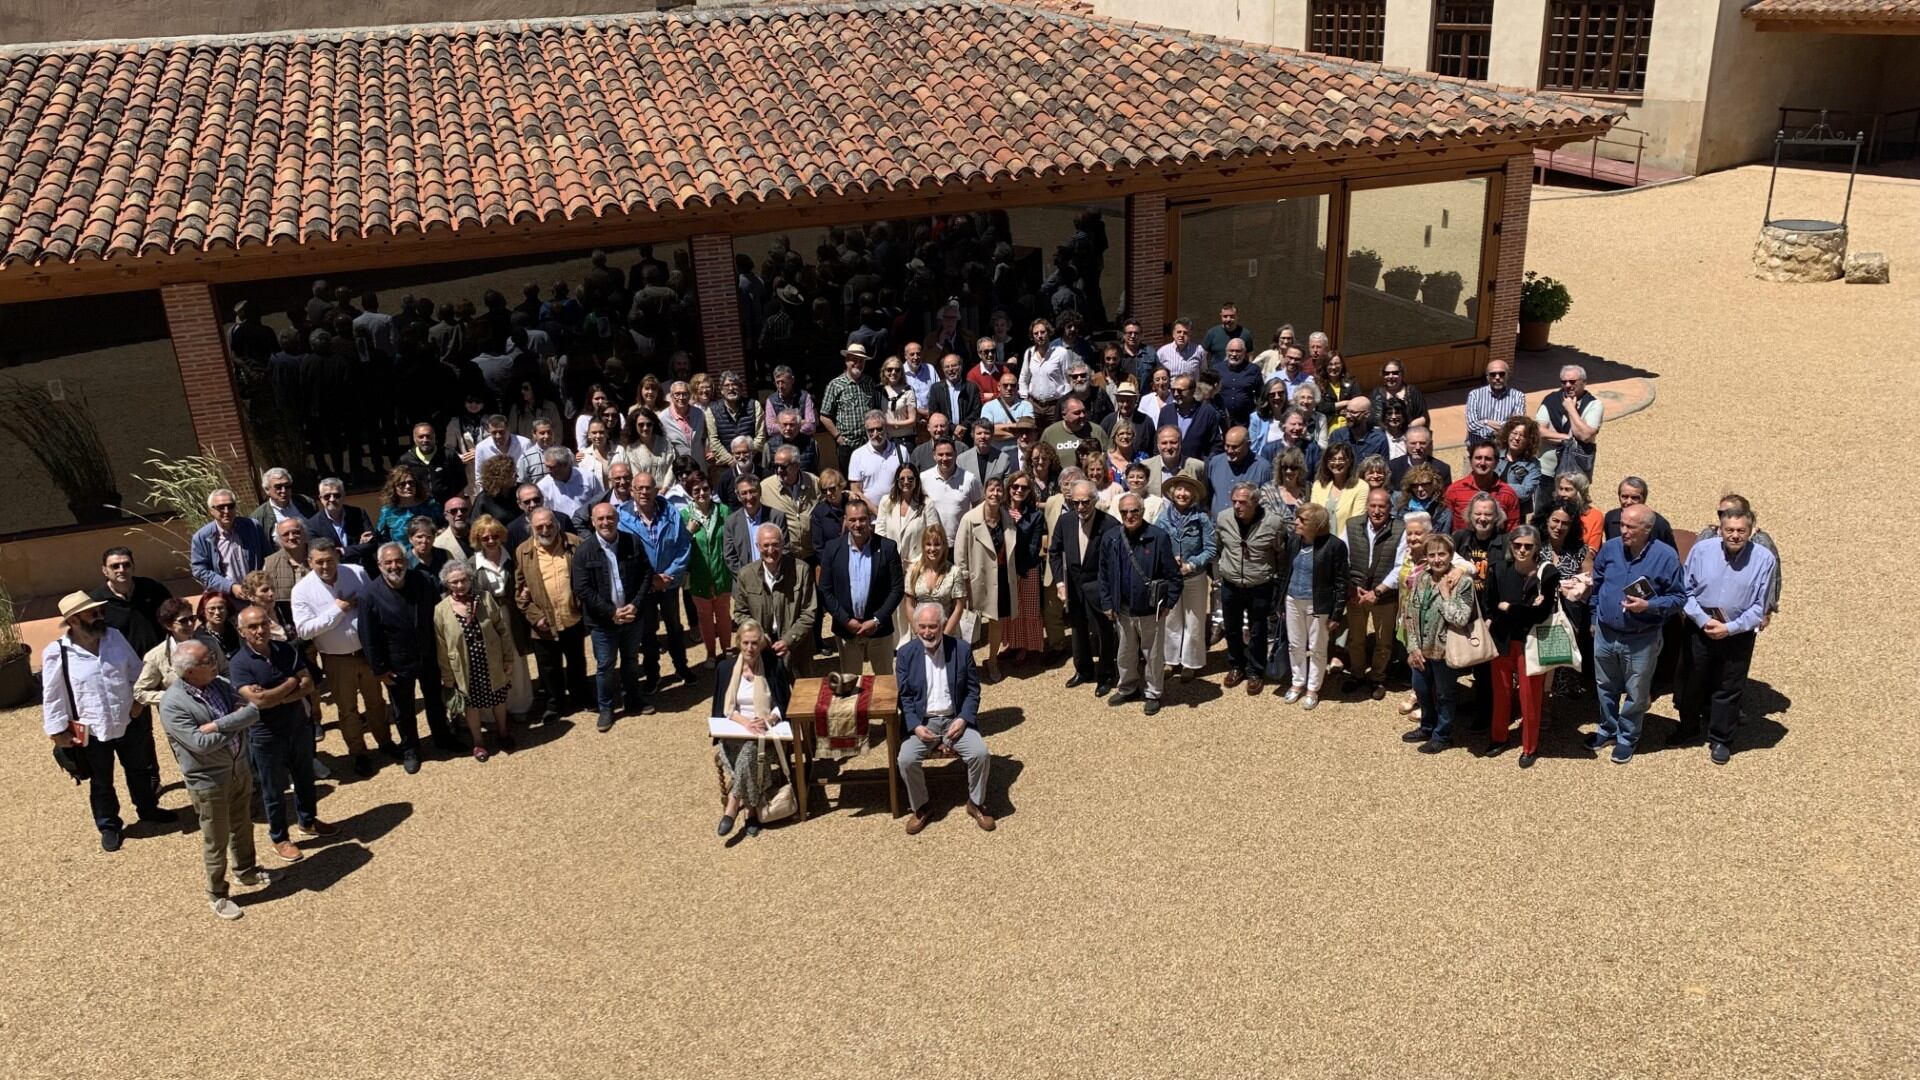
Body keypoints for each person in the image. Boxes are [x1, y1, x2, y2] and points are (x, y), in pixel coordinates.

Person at [42, 591, 172, 851]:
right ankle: (109, 825)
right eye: (93, 613)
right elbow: (52, 695)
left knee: (139, 769)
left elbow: (137, 672)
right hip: (91, 729)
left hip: (128, 719)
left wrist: (139, 703)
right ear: (75, 620)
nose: (100, 616)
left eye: (100, 612)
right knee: (102, 780)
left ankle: (148, 808)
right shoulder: (58, 653)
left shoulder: (114, 638)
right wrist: (57, 731)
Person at [157, 641, 268, 920]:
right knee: (215, 838)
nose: (214, 662)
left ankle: (246, 871)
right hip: (208, 781)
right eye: (207, 661)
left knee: (242, 824)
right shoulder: (172, 704)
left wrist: (219, 724)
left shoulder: (219, 683)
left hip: (238, 768)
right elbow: (200, 743)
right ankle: (217, 894)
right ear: (190, 671)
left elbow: (253, 711)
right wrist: (236, 723)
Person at [229, 603, 330, 863]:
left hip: (298, 726)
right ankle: (279, 837)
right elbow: (259, 702)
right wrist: (290, 683)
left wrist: (277, 695)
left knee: (305, 777)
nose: (260, 630)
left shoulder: (285, 649)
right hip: (266, 735)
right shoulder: (239, 664)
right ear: (242, 631)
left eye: (263, 623)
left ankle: (307, 822)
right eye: (252, 626)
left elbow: (308, 683)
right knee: (273, 789)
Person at [1678, 501, 1777, 764]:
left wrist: (1729, 628)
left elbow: (1760, 606)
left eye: (1741, 530)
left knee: (1729, 686)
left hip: (1737, 633)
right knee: (1692, 680)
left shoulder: (1764, 559)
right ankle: (1687, 728)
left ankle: (1721, 739)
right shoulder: (1701, 550)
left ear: (1750, 530)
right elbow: (1684, 591)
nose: (1735, 535)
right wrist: (1701, 620)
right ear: (1720, 529)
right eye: (1730, 530)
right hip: (1700, 626)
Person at [1587, 503, 1686, 764]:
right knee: (1605, 686)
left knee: (1637, 691)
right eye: (1622, 524)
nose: (1624, 530)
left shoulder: (1666, 557)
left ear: (1648, 529)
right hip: (1606, 633)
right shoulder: (1610, 549)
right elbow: (1596, 584)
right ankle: (1607, 729)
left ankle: (1627, 737)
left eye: (1631, 526)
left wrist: (1649, 606)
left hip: (1641, 638)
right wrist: (1593, 617)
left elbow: (1679, 597)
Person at [895, 602, 994, 835]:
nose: (928, 632)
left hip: (955, 719)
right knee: (906, 759)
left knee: (980, 753)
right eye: (922, 627)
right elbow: (905, 697)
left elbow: (972, 690)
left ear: (942, 625)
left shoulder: (961, 649)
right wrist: (916, 726)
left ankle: (976, 803)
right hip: (924, 722)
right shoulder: (905, 654)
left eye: (932, 626)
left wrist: (963, 719)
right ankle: (921, 807)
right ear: (916, 627)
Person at [360, 543, 451, 773]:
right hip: (396, 662)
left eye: (398, 560)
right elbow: (368, 636)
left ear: (406, 560)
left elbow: (439, 614)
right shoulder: (370, 594)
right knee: (403, 709)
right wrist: (379, 668)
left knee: (435, 701)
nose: (394, 566)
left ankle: (442, 737)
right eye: (388, 562)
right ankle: (410, 749)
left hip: (429, 654)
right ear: (379, 565)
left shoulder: (423, 580)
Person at [575, 501, 655, 730]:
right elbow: (582, 589)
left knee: (631, 661)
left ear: (617, 519)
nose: (605, 522)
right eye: (600, 519)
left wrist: (635, 606)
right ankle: (607, 709)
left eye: (609, 518)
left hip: (632, 617)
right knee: (605, 666)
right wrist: (611, 612)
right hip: (602, 622)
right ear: (592, 522)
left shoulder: (632, 542)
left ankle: (633, 700)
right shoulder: (584, 551)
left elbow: (646, 574)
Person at [1485, 526, 1561, 766]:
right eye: (1517, 545)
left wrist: (1511, 608)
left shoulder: (1547, 575)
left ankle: (1530, 746)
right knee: (1501, 693)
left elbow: (1541, 614)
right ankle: (1499, 737)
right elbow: (1490, 605)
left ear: (1536, 547)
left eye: (1528, 546)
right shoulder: (1498, 569)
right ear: (1511, 545)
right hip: (1503, 640)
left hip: (1531, 642)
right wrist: (1522, 610)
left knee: (1530, 697)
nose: (1522, 550)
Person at [711, 619, 793, 841]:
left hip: (766, 734)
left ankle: (734, 802)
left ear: (761, 644)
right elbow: (723, 709)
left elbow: (783, 703)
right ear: (738, 643)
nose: (750, 648)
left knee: (750, 751)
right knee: (746, 751)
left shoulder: (773, 666)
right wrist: (745, 723)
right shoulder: (726, 668)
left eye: (755, 643)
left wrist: (769, 718)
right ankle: (752, 810)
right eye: (746, 643)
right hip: (735, 732)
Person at [1100, 492, 1179, 715]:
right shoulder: (1111, 537)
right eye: (1124, 511)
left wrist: (1169, 603)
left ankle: (1154, 692)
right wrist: (1107, 603)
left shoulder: (1158, 537)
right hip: (1122, 608)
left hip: (1150, 610)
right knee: (1125, 652)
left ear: (1142, 512)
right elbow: (1103, 574)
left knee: (1153, 655)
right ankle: (1127, 687)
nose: (1129, 515)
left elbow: (1174, 576)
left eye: (1134, 511)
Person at [1399, 534, 1477, 753]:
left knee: (1444, 694)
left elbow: (1460, 618)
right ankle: (1426, 726)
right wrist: (1412, 647)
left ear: (1451, 555)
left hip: (1444, 650)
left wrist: (1444, 596)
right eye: (1432, 554)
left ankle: (1442, 735)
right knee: (1422, 689)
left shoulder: (1463, 583)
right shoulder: (1422, 577)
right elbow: (1410, 613)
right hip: (1420, 650)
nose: (1437, 559)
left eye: (1441, 554)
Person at [433, 561, 516, 762]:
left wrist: (508, 657)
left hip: (491, 660)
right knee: (471, 704)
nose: (460, 585)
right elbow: (441, 645)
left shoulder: (485, 599)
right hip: (463, 666)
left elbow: (502, 630)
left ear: (470, 579)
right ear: (446, 584)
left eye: (463, 580)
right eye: (454, 582)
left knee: (498, 697)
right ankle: (478, 742)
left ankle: (503, 733)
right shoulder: (441, 610)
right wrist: (447, 676)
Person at [618, 471, 694, 688]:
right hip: (644, 587)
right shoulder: (622, 518)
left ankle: (682, 667)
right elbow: (624, 556)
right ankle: (653, 674)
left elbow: (683, 546)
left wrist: (667, 577)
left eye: (648, 487)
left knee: (675, 627)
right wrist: (650, 579)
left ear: (656, 489)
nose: (644, 492)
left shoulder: (671, 513)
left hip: (669, 583)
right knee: (648, 631)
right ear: (632, 491)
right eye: (639, 488)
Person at [515, 508, 590, 724]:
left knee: (577, 660)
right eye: (539, 527)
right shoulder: (523, 552)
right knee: (548, 667)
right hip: (543, 623)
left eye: (549, 525)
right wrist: (535, 617)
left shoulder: (575, 543)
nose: (545, 530)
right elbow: (520, 593)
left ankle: (580, 696)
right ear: (532, 528)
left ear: (557, 524)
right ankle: (554, 704)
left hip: (571, 616)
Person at [818, 498, 905, 676]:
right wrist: (845, 620)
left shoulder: (887, 548)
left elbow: (897, 588)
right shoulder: (832, 549)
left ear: (870, 519)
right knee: (850, 684)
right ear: (845, 520)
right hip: (847, 631)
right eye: (853, 519)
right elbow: (825, 590)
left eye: (862, 519)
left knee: (884, 684)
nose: (858, 524)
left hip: (879, 630)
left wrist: (876, 620)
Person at [1215, 481, 1284, 694]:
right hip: (1231, 584)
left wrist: (1277, 582)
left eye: (1243, 502)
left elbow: (1280, 552)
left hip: (1259, 585)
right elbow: (1219, 547)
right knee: (1232, 628)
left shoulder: (1273, 523)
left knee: (1258, 630)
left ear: (1255, 502)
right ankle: (1236, 666)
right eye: (1234, 501)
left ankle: (1255, 671)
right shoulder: (1223, 518)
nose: (1237, 506)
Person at [1276, 503, 1348, 708]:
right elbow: (1283, 574)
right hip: (1292, 600)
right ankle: (1297, 683)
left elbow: (1342, 582)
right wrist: (1279, 603)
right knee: (1295, 645)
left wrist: (1336, 614)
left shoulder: (1335, 546)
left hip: (1319, 605)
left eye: (1302, 520)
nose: (1296, 522)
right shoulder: (1293, 542)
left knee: (1317, 648)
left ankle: (1313, 688)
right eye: (1297, 518)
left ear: (1316, 525)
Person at [1051, 478, 1119, 695]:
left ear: (1095, 500)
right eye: (1076, 502)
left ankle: (1107, 675)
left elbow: (1115, 561)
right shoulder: (1066, 521)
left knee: (1103, 631)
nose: (1080, 507)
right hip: (1073, 586)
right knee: (1078, 629)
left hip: (1099, 586)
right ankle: (1083, 670)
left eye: (1085, 502)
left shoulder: (1109, 524)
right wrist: (1060, 582)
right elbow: (1054, 552)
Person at [955, 477, 1023, 682]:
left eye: (999, 490)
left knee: (996, 623)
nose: (995, 494)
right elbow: (959, 554)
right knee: (967, 624)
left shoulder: (1008, 519)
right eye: (991, 490)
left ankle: (992, 660)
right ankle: (964, 666)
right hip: (976, 578)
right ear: (984, 492)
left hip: (1001, 578)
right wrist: (963, 580)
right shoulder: (969, 519)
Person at [730, 523, 819, 672]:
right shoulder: (746, 575)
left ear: (783, 544)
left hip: (796, 648)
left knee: (800, 692)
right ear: (758, 546)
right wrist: (758, 636)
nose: (771, 550)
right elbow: (740, 613)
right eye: (765, 545)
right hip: (761, 649)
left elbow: (809, 612)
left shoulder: (801, 570)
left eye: (775, 545)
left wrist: (789, 640)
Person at [1155, 474, 1217, 682]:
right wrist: (1170, 560)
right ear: (1172, 493)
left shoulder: (1202, 518)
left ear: (1193, 494)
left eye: (1187, 490)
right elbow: (1156, 544)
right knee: (1171, 619)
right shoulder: (1163, 518)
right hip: (1171, 577)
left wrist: (1192, 564)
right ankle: (1171, 660)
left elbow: (1210, 548)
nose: (1182, 494)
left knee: (1194, 620)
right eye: (1179, 489)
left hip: (1195, 577)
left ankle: (1190, 662)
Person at [1344, 487, 1403, 700]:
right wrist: (1351, 584)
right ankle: (1357, 673)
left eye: (1382, 506)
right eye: (1373, 505)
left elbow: (1400, 566)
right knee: (1356, 638)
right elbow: (1343, 557)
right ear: (1367, 506)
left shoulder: (1400, 529)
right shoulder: (1352, 525)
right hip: (1356, 593)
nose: (1377, 510)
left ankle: (1378, 677)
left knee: (1383, 640)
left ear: (1390, 507)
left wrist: (1378, 591)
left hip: (1384, 595)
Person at [1694, 494, 1781, 628]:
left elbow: (1773, 578)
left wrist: (1766, 611)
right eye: (1721, 513)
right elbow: (1692, 571)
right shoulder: (1708, 536)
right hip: (1705, 618)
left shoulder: (1761, 542)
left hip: (1741, 620)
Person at [134, 597, 230, 712]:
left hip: (217, 708)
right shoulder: (156, 656)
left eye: (192, 618)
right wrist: (173, 697)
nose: (190, 624)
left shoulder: (210, 643)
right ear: (168, 625)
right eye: (183, 621)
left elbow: (226, 671)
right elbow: (140, 691)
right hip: (182, 717)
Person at [680, 474, 732, 669]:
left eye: (705, 489)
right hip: (698, 577)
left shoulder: (724, 511)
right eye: (696, 490)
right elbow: (678, 546)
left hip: (721, 574)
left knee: (724, 616)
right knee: (704, 617)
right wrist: (688, 532)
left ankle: (727, 651)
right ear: (690, 493)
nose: (702, 493)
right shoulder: (684, 516)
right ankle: (710, 652)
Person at [190, 489, 270, 601]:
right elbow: (200, 571)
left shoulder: (252, 527)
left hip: (257, 595)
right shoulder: (202, 537)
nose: (226, 511)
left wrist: (262, 581)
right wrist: (230, 587)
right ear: (211, 511)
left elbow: (268, 556)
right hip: (227, 599)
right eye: (221, 507)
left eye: (230, 506)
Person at [91, 547, 172, 656]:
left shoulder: (152, 588)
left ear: (133, 567)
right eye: (115, 566)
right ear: (105, 570)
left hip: (162, 658)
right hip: (124, 667)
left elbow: (173, 616)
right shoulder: (96, 601)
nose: (121, 570)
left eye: (126, 565)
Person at [900, 520, 968, 647]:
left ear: (944, 546)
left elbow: (958, 608)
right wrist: (918, 632)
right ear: (923, 546)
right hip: (921, 634)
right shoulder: (913, 571)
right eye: (928, 544)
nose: (932, 549)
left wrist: (945, 637)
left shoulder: (954, 572)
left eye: (937, 544)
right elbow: (909, 605)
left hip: (948, 633)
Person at [1537, 364, 1603, 480]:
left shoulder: (1594, 405)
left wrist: (1571, 409)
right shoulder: (1551, 400)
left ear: (1584, 382)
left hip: (1577, 472)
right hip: (1547, 469)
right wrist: (1567, 438)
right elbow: (1538, 430)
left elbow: (1585, 435)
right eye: (1564, 382)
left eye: (1572, 382)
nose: (1567, 385)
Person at [1443, 442, 1523, 534]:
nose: (1482, 463)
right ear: (1470, 461)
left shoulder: (1508, 494)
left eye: (1488, 459)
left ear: (1496, 463)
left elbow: (1512, 532)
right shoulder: (1454, 491)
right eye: (1478, 458)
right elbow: (1445, 528)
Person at [819, 344, 880, 462]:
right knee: (849, 480)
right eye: (854, 360)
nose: (858, 364)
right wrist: (838, 438)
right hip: (847, 445)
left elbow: (876, 410)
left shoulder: (869, 382)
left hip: (869, 443)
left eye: (861, 361)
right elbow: (824, 416)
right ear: (847, 361)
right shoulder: (835, 385)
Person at [761, 444, 822, 561]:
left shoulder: (814, 482)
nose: (779, 470)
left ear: (796, 466)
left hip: (813, 554)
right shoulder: (765, 488)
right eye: (776, 466)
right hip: (785, 557)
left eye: (783, 467)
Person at [723, 473, 788, 575]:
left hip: (775, 578)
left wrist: (772, 574)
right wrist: (747, 578)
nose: (749, 497)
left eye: (753, 491)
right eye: (744, 493)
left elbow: (785, 549)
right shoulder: (731, 523)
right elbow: (730, 557)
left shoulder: (776, 517)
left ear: (760, 492)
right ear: (738, 496)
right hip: (744, 583)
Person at [305, 477, 378, 568]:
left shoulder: (358, 514)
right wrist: (359, 547)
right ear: (320, 498)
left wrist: (342, 551)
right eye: (327, 496)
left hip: (366, 570)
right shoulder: (312, 525)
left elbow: (372, 545)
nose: (332, 499)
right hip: (336, 573)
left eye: (336, 495)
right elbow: (321, 555)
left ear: (343, 496)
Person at [1206, 426, 1271, 517]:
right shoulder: (1215, 463)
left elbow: (1267, 502)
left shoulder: (1263, 468)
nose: (1230, 450)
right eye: (1227, 445)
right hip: (1217, 526)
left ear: (1248, 445)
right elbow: (1208, 495)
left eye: (1235, 447)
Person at [846, 409, 908, 504]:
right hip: (870, 515)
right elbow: (856, 490)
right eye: (871, 430)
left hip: (898, 511)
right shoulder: (857, 455)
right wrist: (876, 511)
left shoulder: (901, 451)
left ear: (886, 428)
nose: (875, 434)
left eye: (879, 429)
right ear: (866, 430)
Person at [1463, 359, 1527, 448]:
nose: (1497, 377)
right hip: (1477, 450)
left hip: (1503, 451)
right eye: (1493, 374)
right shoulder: (1475, 395)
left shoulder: (1518, 396)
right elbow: (1472, 424)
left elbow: (1516, 425)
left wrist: (1485, 422)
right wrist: (1497, 432)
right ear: (1487, 377)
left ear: (1508, 375)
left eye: (1501, 374)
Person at [1601, 476, 1676, 549]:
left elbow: (1671, 557)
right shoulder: (1610, 518)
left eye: (1635, 498)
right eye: (1624, 497)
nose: (1629, 502)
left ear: (1644, 499)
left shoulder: (1659, 524)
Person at [375, 466, 442, 545]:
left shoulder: (430, 504)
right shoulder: (388, 511)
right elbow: (380, 537)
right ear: (393, 487)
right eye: (402, 484)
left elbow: (444, 524)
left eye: (411, 482)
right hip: (403, 555)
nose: (408, 486)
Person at [402, 422, 468, 504]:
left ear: (434, 437)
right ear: (414, 439)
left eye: (428, 436)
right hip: (419, 508)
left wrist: (457, 505)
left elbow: (461, 484)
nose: (425, 440)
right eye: (421, 437)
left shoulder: (449, 455)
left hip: (445, 507)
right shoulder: (406, 460)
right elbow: (399, 485)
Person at [1312, 443, 1367, 538]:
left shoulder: (1361, 486)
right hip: (1320, 541)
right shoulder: (1318, 485)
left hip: (1347, 542)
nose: (1336, 463)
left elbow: (1357, 521)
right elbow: (1314, 515)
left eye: (1341, 459)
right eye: (1332, 459)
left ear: (1349, 462)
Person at [1167, 374, 1226, 462]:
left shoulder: (1207, 412)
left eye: (1180, 391)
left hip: (1198, 468)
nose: (1175, 394)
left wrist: (1207, 463)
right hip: (1171, 468)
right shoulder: (1166, 412)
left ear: (1192, 391)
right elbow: (1158, 442)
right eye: (1173, 390)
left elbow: (1216, 444)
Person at [537, 447, 605, 522]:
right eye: (547, 466)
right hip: (562, 528)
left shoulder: (588, 477)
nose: (548, 471)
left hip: (588, 524)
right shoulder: (543, 486)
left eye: (552, 467)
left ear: (565, 465)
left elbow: (600, 502)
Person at [1494, 416, 1544, 510]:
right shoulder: (1494, 455)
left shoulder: (1533, 465)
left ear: (1529, 440)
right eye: (1514, 433)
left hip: (1515, 514)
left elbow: (1525, 492)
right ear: (1508, 434)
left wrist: (1497, 485)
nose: (1517, 438)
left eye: (1522, 436)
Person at [250, 467, 317, 532]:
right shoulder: (259, 517)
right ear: (267, 490)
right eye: (278, 487)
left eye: (287, 486)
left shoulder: (306, 502)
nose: (284, 490)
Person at [927, 351, 981, 430]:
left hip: (966, 433)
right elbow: (934, 413)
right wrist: (953, 427)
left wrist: (963, 426)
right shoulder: (936, 389)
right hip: (944, 433)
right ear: (942, 369)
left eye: (954, 366)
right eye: (947, 367)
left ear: (961, 367)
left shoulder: (972, 388)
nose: (951, 369)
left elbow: (976, 411)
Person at [1369, 360, 1429, 428]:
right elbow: (1371, 418)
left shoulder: (1412, 391)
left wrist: (1406, 429)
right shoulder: (1376, 393)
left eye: (1395, 373)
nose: (1390, 376)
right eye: (1387, 373)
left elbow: (1423, 417)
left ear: (1402, 374)